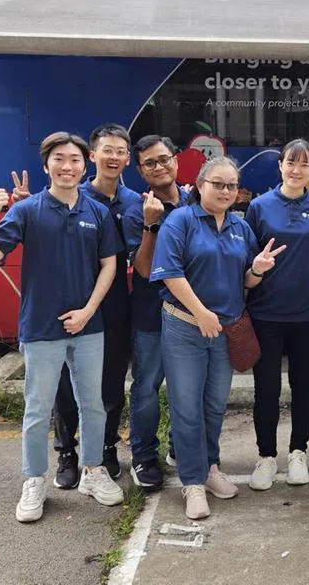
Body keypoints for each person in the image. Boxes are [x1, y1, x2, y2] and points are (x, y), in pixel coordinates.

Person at [0, 131, 124, 523]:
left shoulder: (98, 212)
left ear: (84, 165)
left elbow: (109, 265)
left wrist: (88, 310)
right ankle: (34, 480)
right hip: (41, 327)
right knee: (38, 409)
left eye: (74, 159)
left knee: (93, 404)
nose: (67, 166)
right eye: (59, 159)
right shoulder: (27, 211)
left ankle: (93, 471)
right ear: (46, 165)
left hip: (89, 327)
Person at [151, 157, 285, 520]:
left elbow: (246, 279)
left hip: (226, 329)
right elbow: (169, 273)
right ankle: (192, 482)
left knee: (213, 405)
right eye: (218, 184)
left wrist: (257, 270)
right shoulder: (180, 220)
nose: (226, 191)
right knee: (186, 407)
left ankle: (210, 467)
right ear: (200, 185)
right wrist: (200, 312)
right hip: (185, 327)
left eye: (232, 186)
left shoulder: (240, 227)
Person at [41, 125, 139, 488]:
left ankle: (105, 448)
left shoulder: (135, 202)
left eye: (120, 152)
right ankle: (67, 452)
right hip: (69, 305)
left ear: (127, 159)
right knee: (66, 385)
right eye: (106, 151)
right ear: (93, 157)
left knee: (110, 383)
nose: (113, 157)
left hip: (113, 307)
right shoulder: (71, 195)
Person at [244, 139, 309, 490]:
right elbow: (248, 263)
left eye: (304, 164)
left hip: (307, 315)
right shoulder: (258, 206)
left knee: (303, 386)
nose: (296, 170)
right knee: (266, 389)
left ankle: (299, 452)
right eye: (290, 163)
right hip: (265, 314)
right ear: (280, 165)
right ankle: (266, 456)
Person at [121, 135, 188, 490]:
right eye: (150, 163)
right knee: (147, 387)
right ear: (140, 170)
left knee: (186, 386)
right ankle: (144, 457)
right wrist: (151, 224)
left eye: (164, 159)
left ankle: (181, 447)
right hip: (151, 315)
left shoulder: (194, 201)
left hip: (189, 313)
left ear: (175, 159)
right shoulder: (138, 210)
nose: (159, 167)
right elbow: (145, 270)